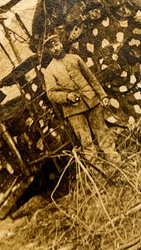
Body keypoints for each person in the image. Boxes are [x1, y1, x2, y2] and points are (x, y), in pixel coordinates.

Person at [42, 34, 121, 164]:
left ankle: (115, 161)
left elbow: (91, 78)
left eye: (56, 44)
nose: (55, 49)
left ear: (61, 43)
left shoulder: (75, 58)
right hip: (73, 110)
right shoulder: (50, 71)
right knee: (85, 140)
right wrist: (67, 97)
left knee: (102, 131)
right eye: (51, 48)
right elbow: (51, 94)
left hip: (91, 100)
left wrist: (103, 95)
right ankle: (97, 169)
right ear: (48, 51)